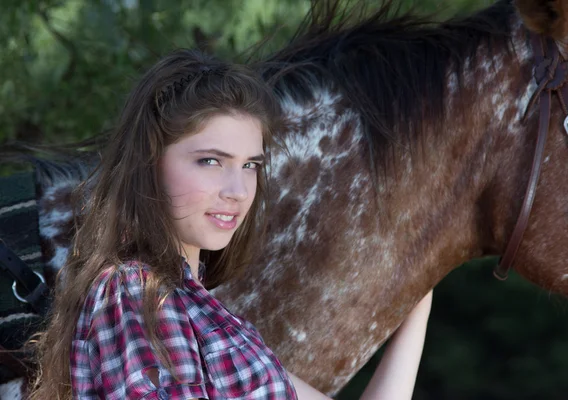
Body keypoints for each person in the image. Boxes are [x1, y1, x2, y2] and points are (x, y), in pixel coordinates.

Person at [29, 48, 432, 400]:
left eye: (251, 166)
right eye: (211, 161)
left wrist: (420, 299)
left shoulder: (211, 320)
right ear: (150, 164)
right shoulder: (137, 294)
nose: (238, 190)